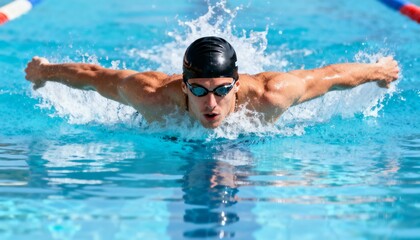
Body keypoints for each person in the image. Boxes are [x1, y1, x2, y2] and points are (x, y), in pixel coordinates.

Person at [25, 36, 400, 128]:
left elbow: (328, 78)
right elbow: (94, 78)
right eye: (200, 90)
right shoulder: (153, 95)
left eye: (222, 90)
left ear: (236, 85)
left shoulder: (270, 96)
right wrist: (44, 72)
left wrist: (380, 71)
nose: (211, 104)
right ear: (184, 87)